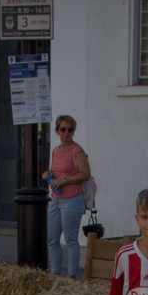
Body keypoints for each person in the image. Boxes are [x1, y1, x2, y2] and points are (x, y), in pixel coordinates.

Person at [46, 114, 91, 278]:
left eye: (70, 130)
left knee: (71, 240)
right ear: (57, 130)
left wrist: (66, 180)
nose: (66, 133)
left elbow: (85, 174)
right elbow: (56, 172)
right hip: (56, 199)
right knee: (52, 239)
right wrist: (48, 174)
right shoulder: (56, 151)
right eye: (63, 129)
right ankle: (55, 274)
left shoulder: (76, 150)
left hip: (72, 200)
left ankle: (72, 276)